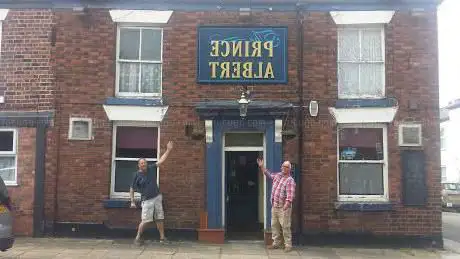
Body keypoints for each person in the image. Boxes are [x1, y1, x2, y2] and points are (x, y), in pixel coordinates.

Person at [130, 141, 173, 246]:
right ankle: (137, 238)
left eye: (144, 163)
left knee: (159, 218)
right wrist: (132, 201)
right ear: (138, 165)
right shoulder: (136, 175)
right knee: (146, 220)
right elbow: (132, 188)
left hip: (157, 197)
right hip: (147, 200)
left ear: (146, 164)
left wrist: (168, 150)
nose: (143, 164)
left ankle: (162, 238)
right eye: (141, 163)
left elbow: (161, 161)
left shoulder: (151, 168)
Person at [257, 157, 296, 253]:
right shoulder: (278, 175)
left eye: (286, 167)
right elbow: (268, 174)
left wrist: (286, 206)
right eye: (283, 166)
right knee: (274, 225)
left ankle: (288, 245)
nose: (284, 168)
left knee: (285, 226)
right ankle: (276, 243)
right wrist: (262, 166)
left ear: (289, 169)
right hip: (275, 206)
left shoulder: (290, 180)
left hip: (284, 207)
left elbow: (290, 196)